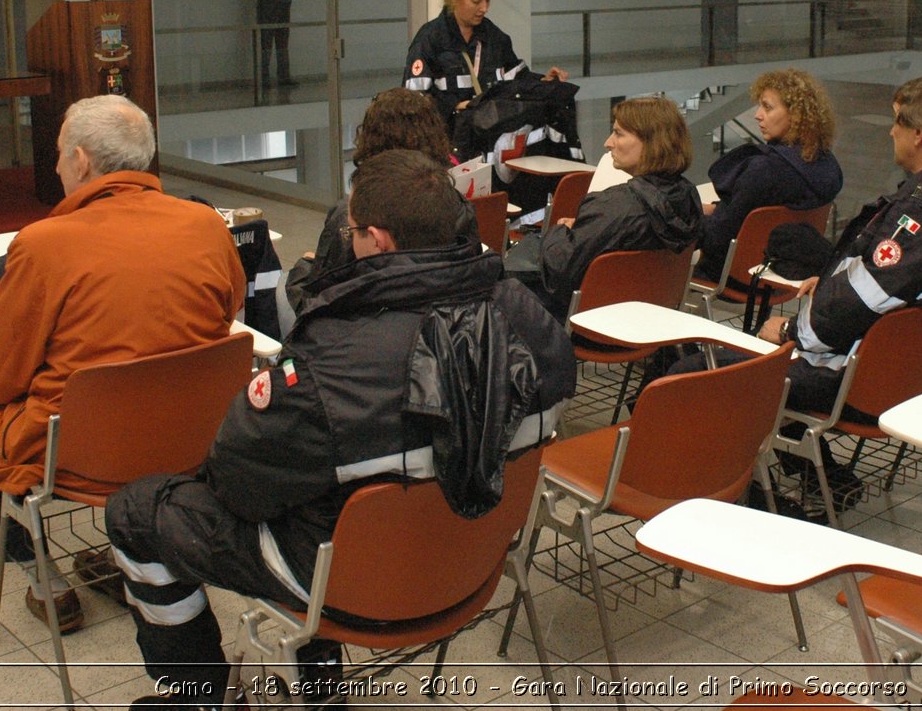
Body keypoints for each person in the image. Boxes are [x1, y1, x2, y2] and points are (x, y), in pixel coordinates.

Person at [108, 149, 577, 709]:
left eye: (350, 229)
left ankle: (196, 696)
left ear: (376, 240)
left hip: (354, 589)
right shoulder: (538, 325)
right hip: (471, 566)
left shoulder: (330, 363)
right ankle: (317, 675)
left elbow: (235, 485)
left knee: (137, 511)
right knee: (322, 484)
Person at [0, 95, 246, 633]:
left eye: (61, 153)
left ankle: (47, 583)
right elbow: (227, 316)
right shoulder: (205, 225)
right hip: (193, 438)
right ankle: (123, 556)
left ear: (82, 161)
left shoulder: (45, 244)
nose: (58, 164)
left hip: (83, 451)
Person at [754, 73, 922, 465]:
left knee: (703, 370)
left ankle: (736, 498)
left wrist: (789, 331)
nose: (891, 133)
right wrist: (834, 280)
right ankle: (819, 482)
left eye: (897, 123)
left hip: (854, 378)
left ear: (920, 134)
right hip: (904, 372)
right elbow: (909, 285)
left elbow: (859, 302)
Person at [286, 87, 479, 312]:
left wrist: (304, 269)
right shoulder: (458, 205)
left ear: (370, 138)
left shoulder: (352, 216)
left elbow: (316, 302)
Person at [515, 96, 701, 319]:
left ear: (653, 142)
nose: (608, 142)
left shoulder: (613, 207)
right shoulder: (688, 197)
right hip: (654, 319)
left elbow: (560, 272)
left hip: (589, 322)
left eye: (619, 133)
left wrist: (559, 232)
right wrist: (588, 227)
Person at [696, 68, 844, 285]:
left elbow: (719, 237)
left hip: (733, 274)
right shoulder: (828, 165)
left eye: (767, 107)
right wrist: (718, 209)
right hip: (782, 273)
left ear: (796, 115)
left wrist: (687, 218)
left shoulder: (763, 169)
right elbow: (758, 214)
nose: (757, 114)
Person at [403, 0, 567, 133]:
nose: (484, 8)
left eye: (488, 0)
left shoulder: (493, 36)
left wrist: (542, 82)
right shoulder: (430, 38)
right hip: (445, 137)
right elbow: (414, 98)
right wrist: (456, 106)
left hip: (486, 137)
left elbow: (515, 77)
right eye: (477, 1)